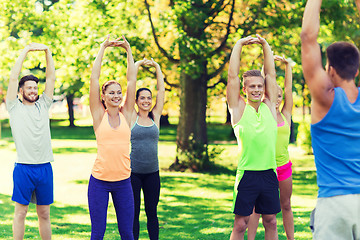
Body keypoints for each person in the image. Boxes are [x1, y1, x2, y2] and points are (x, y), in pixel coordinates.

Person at [301, 0, 360, 239]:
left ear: (330, 70)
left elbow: (307, 37)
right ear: (356, 70)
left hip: (334, 204)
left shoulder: (324, 99)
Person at [227, 35, 280, 240]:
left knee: (271, 222)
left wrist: (266, 45)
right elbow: (232, 76)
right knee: (241, 225)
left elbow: (271, 74)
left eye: (260, 86)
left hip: (269, 173)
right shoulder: (238, 109)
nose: (257, 89)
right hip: (247, 175)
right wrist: (239, 44)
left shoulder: (269, 107)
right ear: (245, 89)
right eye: (252, 86)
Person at [88, 34, 141, 240]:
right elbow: (94, 78)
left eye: (118, 92)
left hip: (123, 182)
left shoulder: (126, 113)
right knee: (97, 233)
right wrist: (103, 48)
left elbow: (131, 79)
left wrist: (128, 51)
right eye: (111, 93)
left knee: (127, 233)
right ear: (103, 96)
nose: (117, 96)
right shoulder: (98, 114)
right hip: (99, 181)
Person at [6, 43, 56, 240]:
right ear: (21, 90)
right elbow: (12, 77)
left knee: (44, 214)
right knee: (20, 213)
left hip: (44, 167)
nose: (33, 90)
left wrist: (47, 52)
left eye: (35, 87)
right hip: (24, 168)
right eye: (29, 87)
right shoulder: (14, 107)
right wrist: (25, 50)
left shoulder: (43, 105)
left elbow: (51, 77)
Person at [247, 55, 295, 240]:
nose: (277, 99)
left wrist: (287, 66)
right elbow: (264, 80)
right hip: (264, 168)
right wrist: (265, 67)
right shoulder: (262, 112)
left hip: (283, 168)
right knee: (256, 209)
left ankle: (291, 238)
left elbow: (289, 89)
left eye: (280, 96)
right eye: (273, 95)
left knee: (286, 205)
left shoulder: (286, 115)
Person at [130, 58, 165, 240]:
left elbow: (162, 91)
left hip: (152, 173)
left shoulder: (155, 116)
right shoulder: (131, 116)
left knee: (152, 211)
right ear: (135, 101)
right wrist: (135, 67)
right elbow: (130, 84)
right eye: (142, 98)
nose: (146, 100)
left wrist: (157, 68)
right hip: (133, 174)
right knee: (133, 213)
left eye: (148, 98)